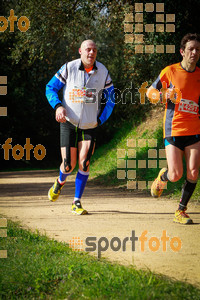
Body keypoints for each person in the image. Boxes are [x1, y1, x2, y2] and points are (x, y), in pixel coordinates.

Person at [46, 40, 115, 215]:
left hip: (90, 125)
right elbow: (50, 88)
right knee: (69, 165)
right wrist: (58, 106)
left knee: (84, 162)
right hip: (69, 123)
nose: (91, 53)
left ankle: (76, 201)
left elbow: (112, 98)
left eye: (94, 50)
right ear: (80, 51)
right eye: (88, 50)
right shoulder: (68, 68)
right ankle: (60, 182)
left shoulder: (103, 72)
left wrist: (100, 119)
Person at [147, 33, 200, 224]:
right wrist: (163, 96)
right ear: (182, 52)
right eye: (190, 49)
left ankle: (181, 210)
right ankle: (164, 176)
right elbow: (150, 92)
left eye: (197, 49)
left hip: (194, 130)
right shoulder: (170, 71)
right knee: (176, 174)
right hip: (173, 129)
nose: (194, 52)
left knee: (193, 172)